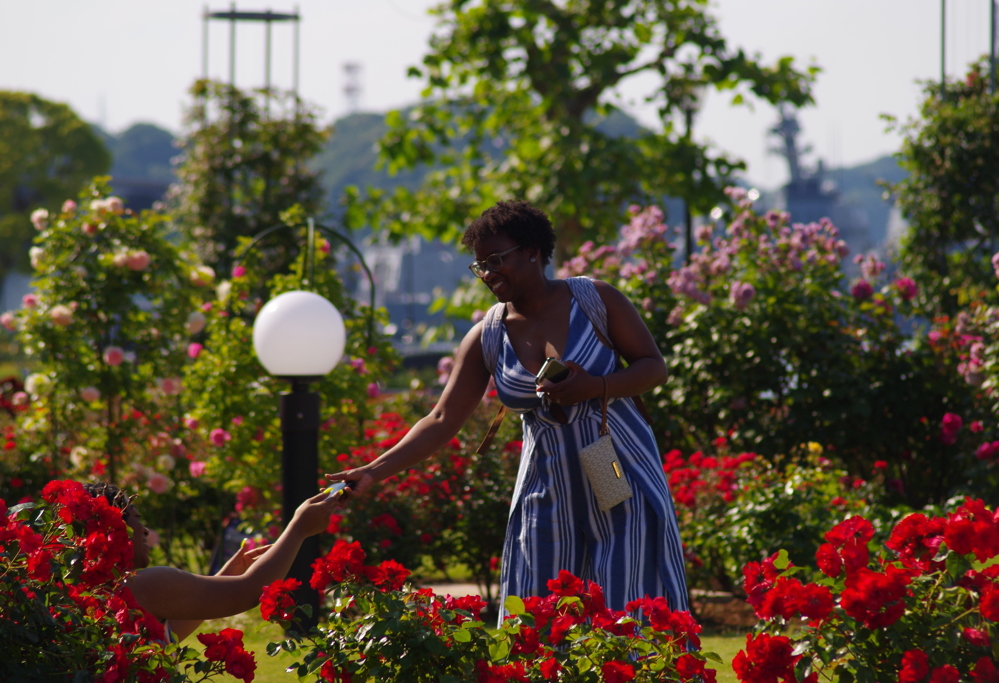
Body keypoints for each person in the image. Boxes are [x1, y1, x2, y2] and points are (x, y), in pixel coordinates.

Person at [330, 200, 691, 615]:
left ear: (533, 251)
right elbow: (442, 419)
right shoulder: (488, 334)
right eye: (480, 265)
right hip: (547, 481)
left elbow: (654, 367)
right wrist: (371, 472)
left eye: (496, 260)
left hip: (612, 468)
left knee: (630, 597)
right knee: (537, 611)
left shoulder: (595, 300)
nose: (487, 273)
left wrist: (596, 386)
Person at [84, 483, 341, 641]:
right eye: (136, 518)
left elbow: (168, 634)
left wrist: (225, 576)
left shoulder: (84, 588)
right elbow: (249, 592)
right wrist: (298, 529)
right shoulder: (147, 584)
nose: (145, 530)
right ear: (114, 528)